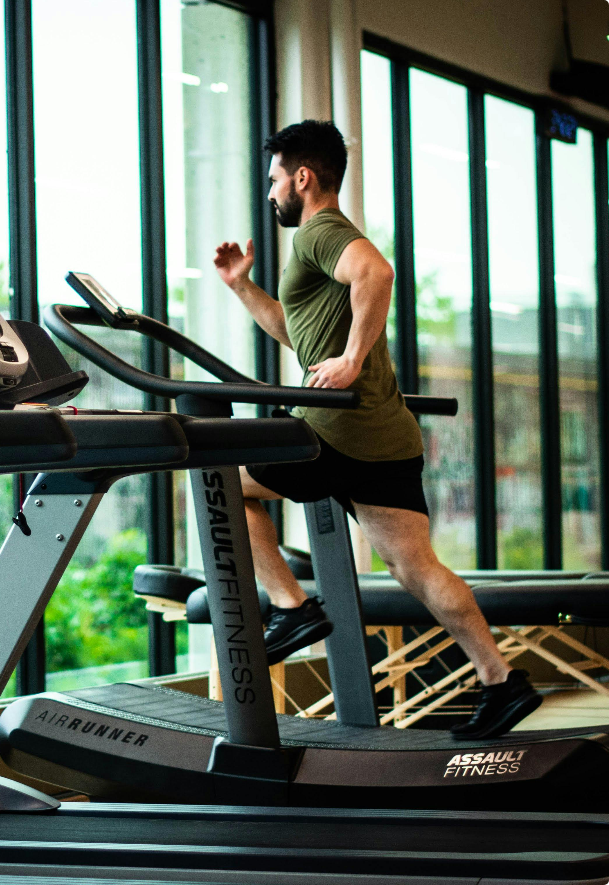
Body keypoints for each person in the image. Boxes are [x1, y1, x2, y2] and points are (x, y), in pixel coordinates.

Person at [213, 119, 541, 741]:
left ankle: (292, 608)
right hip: (385, 434)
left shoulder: (321, 233)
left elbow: (378, 275)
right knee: (417, 568)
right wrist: (243, 287)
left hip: (333, 429)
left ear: (302, 178)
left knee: (220, 480)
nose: (271, 192)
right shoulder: (321, 244)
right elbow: (298, 332)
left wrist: (353, 361)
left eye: (275, 179)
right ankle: (501, 680)